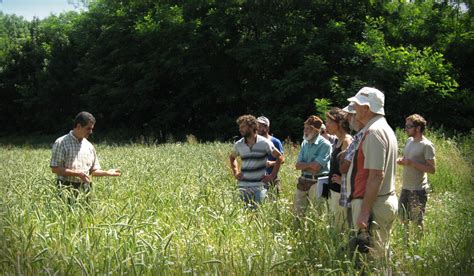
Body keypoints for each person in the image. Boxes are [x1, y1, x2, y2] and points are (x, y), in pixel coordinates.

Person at [346, 87, 398, 263]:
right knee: (377, 258)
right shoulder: (382, 128)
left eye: (357, 104)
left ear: (367, 108)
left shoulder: (374, 132)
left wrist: (364, 212)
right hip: (379, 202)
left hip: (374, 205)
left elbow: (376, 175)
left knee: (373, 261)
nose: (353, 107)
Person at [50, 112, 121, 203]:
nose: (91, 132)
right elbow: (55, 169)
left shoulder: (89, 146)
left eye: (92, 129)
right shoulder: (61, 143)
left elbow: (93, 171)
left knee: (85, 216)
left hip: (86, 188)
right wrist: (78, 174)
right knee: (67, 215)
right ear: (78, 126)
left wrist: (107, 173)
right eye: (88, 128)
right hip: (66, 187)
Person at [229, 115, 284, 209]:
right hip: (243, 186)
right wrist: (236, 172)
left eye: (242, 127)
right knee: (245, 215)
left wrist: (272, 176)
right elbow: (232, 157)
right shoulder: (239, 144)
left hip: (259, 186)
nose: (240, 129)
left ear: (252, 127)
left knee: (259, 212)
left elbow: (279, 157)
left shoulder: (265, 143)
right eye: (239, 127)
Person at [397, 114, 435, 240]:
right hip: (405, 187)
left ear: (418, 128)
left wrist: (412, 163)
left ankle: (419, 246)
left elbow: (432, 169)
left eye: (409, 126)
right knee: (403, 219)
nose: (406, 129)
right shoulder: (409, 141)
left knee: (417, 222)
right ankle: (406, 244)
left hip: (418, 190)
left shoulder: (427, 145)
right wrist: (401, 161)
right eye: (405, 126)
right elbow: (407, 160)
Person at [294, 115, 332, 217]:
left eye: (308, 129)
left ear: (316, 130)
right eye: (304, 128)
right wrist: (310, 165)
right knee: (298, 213)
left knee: (317, 214)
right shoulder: (304, 143)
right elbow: (297, 166)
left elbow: (316, 167)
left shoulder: (326, 145)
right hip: (303, 180)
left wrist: (305, 165)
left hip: (318, 182)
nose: (305, 131)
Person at [325, 108, 352, 233]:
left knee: (341, 228)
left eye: (329, 122)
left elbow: (351, 167)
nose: (326, 125)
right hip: (333, 191)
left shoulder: (347, 141)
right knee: (334, 226)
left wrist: (343, 181)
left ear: (339, 123)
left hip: (342, 192)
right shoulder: (336, 141)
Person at [256, 116, 284, 198]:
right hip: (256, 179)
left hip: (271, 178)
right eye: (257, 125)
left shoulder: (275, 141)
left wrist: (271, 163)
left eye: (260, 126)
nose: (258, 128)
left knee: (274, 204)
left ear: (267, 127)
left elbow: (282, 160)